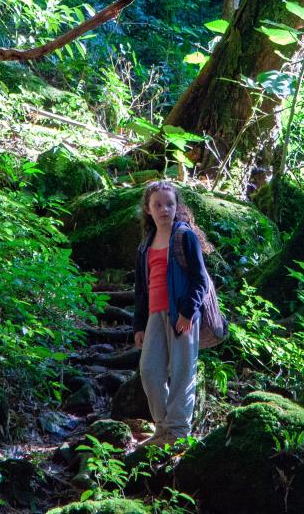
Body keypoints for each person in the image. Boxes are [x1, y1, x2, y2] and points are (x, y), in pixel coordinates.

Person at [132, 179, 213, 447]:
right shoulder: (145, 245)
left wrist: (188, 312)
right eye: (158, 205)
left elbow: (200, 279)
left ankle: (177, 432)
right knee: (149, 370)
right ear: (148, 209)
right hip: (155, 315)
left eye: (169, 204)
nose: (164, 209)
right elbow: (141, 289)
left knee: (182, 372)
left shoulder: (184, 236)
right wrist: (139, 326)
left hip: (183, 315)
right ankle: (162, 427)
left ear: (177, 206)